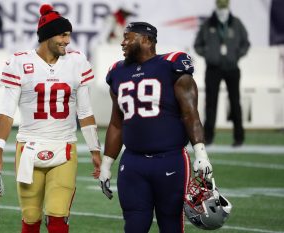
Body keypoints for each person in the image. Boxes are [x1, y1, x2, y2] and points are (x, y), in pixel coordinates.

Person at [0, 4, 101, 233]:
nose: (67, 41)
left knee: (58, 218)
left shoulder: (77, 61)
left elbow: (85, 111)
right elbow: (7, 112)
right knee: (30, 219)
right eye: (62, 34)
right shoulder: (19, 62)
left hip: (64, 147)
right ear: (47, 36)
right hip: (28, 147)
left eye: (68, 35)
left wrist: (94, 150)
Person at [98, 22, 213, 233]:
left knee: (170, 225)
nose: (122, 43)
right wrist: (106, 164)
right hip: (132, 162)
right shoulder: (117, 72)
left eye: (128, 38)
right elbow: (117, 122)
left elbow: (190, 113)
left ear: (146, 40)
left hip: (169, 159)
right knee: (134, 225)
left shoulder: (172, 64)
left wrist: (201, 153)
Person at [194, 0, 250, 147]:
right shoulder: (208, 24)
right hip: (213, 68)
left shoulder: (236, 23)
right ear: (216, 6)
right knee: (211, 103)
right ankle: (208, 137)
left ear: (228, 6)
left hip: (232, 67)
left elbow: (246, 43)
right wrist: (207, 54)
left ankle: (239, 138)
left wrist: (237, 54)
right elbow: (197, 44)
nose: (222, 10)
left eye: (224, 7)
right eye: (220, 6)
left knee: (235, 102)